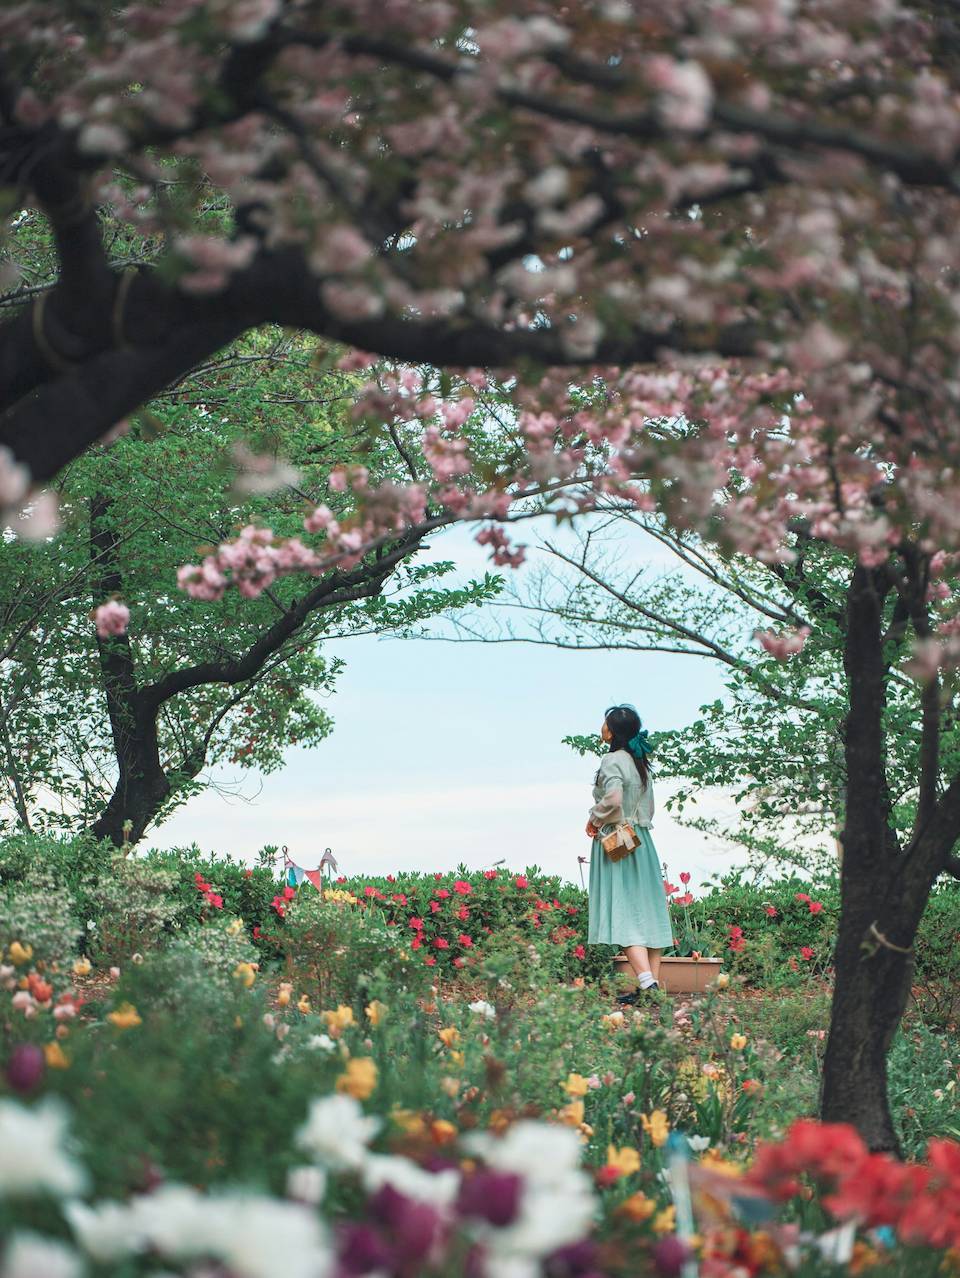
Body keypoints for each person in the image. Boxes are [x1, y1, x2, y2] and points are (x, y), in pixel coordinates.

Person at [585, 703, 673, 1004]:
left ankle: (648, 985)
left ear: (613, 731)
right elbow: (648, 808)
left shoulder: (612, 760)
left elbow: (613, 798)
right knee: (648, 913)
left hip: (618, 840)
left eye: (605, 723)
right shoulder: (640, 761)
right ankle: (651, 987)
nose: (602, 727)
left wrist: (595, 818)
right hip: (642, 841)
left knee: (622, 913)